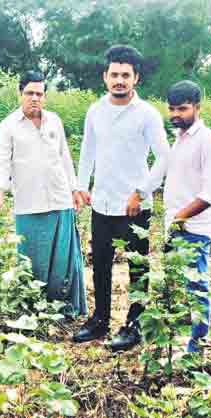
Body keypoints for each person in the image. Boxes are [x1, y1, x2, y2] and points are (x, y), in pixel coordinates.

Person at [72, 45, 170, 351]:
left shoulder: (147, 114)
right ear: (105, 76)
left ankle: (134, 326)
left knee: (137, 266)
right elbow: (87, 151)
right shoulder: (95, 111)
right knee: (100, 264)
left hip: (134, 206)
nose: (119, 80)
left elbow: (164, 157)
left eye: (125, 75)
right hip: (101, 201)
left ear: (136, 78)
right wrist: (80, 185)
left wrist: (141, 192)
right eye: (114, 74)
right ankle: (100, 320)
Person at [0, 70, 87, 317]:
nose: (35, 98)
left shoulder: (54, 120)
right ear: (20, 94)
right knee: (32, 259)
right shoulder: (8, 126)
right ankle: (35, 308)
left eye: (40, 94)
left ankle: (64, 307)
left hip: (60, 198)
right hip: (29, 203)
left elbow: (64, 157)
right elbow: (2, 162)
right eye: (29, 93)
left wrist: (74, 189)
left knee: (63, 258)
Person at [144, 80, 211, 353]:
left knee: (196, 286)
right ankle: (176, 340)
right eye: (172, 109)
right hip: (176, 226)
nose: (176, 114)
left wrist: (181, 216)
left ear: (197, 108)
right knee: (175, 286)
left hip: (194, 228)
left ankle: (198, 346)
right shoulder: (179, 139)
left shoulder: (208, 142)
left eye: (183, 108)